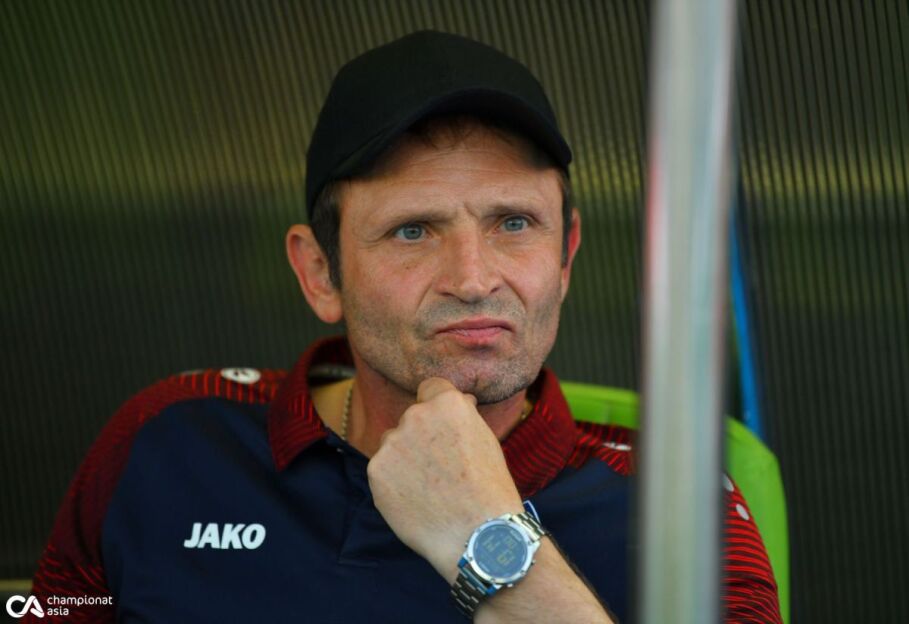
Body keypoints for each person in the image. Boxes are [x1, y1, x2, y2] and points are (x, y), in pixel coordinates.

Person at [26, 31, 781, 623]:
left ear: (565, 257)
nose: (473, 278)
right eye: (412, 231)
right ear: (319, 273)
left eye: (514, 223)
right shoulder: (167, 440)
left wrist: (492, 541)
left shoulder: (683, 511)